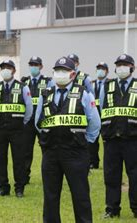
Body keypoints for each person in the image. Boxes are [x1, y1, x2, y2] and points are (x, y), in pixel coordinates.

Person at [35, 56, 99, 222]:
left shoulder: (84, 94)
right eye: (57, 71)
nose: (60, 74)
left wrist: (83, 143)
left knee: (80, 196)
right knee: (50, 196)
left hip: (75, 153)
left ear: (73, 74)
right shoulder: (46, 94)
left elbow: (94, 123)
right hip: (51, 153)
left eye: (63, 71)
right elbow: (38, 122)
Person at [99, 54, 137, 219]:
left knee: (135, 175)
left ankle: (136, 208)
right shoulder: (107, 86)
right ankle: (112, 208)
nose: (121, 67)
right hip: (112, 138)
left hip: (133, 139)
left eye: (125, 64)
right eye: (119, 64)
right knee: (111, 175)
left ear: (132, 68)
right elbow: (100, 108)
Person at [0, 59, 33, 198]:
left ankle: (19, 188)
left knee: (19, 159)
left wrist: (21, 122)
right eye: (3, 67)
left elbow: (29, 109)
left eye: (8, 67)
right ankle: (3, 187)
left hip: (17, 129)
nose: (5, 70)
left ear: (14, 70)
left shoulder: (23, 87)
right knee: (0, 158)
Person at [20, 56, 54, 184]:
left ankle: (50, 175)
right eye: (31, 64)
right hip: (28, 122)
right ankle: (24, 177)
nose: (33, 67)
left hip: (42, 120)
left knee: (47, 149)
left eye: (36, 64)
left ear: (41, 66)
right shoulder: (24, 82)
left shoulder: (48, 82)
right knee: (25, 151)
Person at [89, 62, 108, 170]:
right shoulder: (92, 83)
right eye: (99, 69)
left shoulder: (109, 84)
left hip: (104, 114)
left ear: (107, 71)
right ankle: (93, 162)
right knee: (93, 140)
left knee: (106, 140)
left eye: (103, 69)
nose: (100, 71)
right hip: (94, 113)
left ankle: (108, 161)